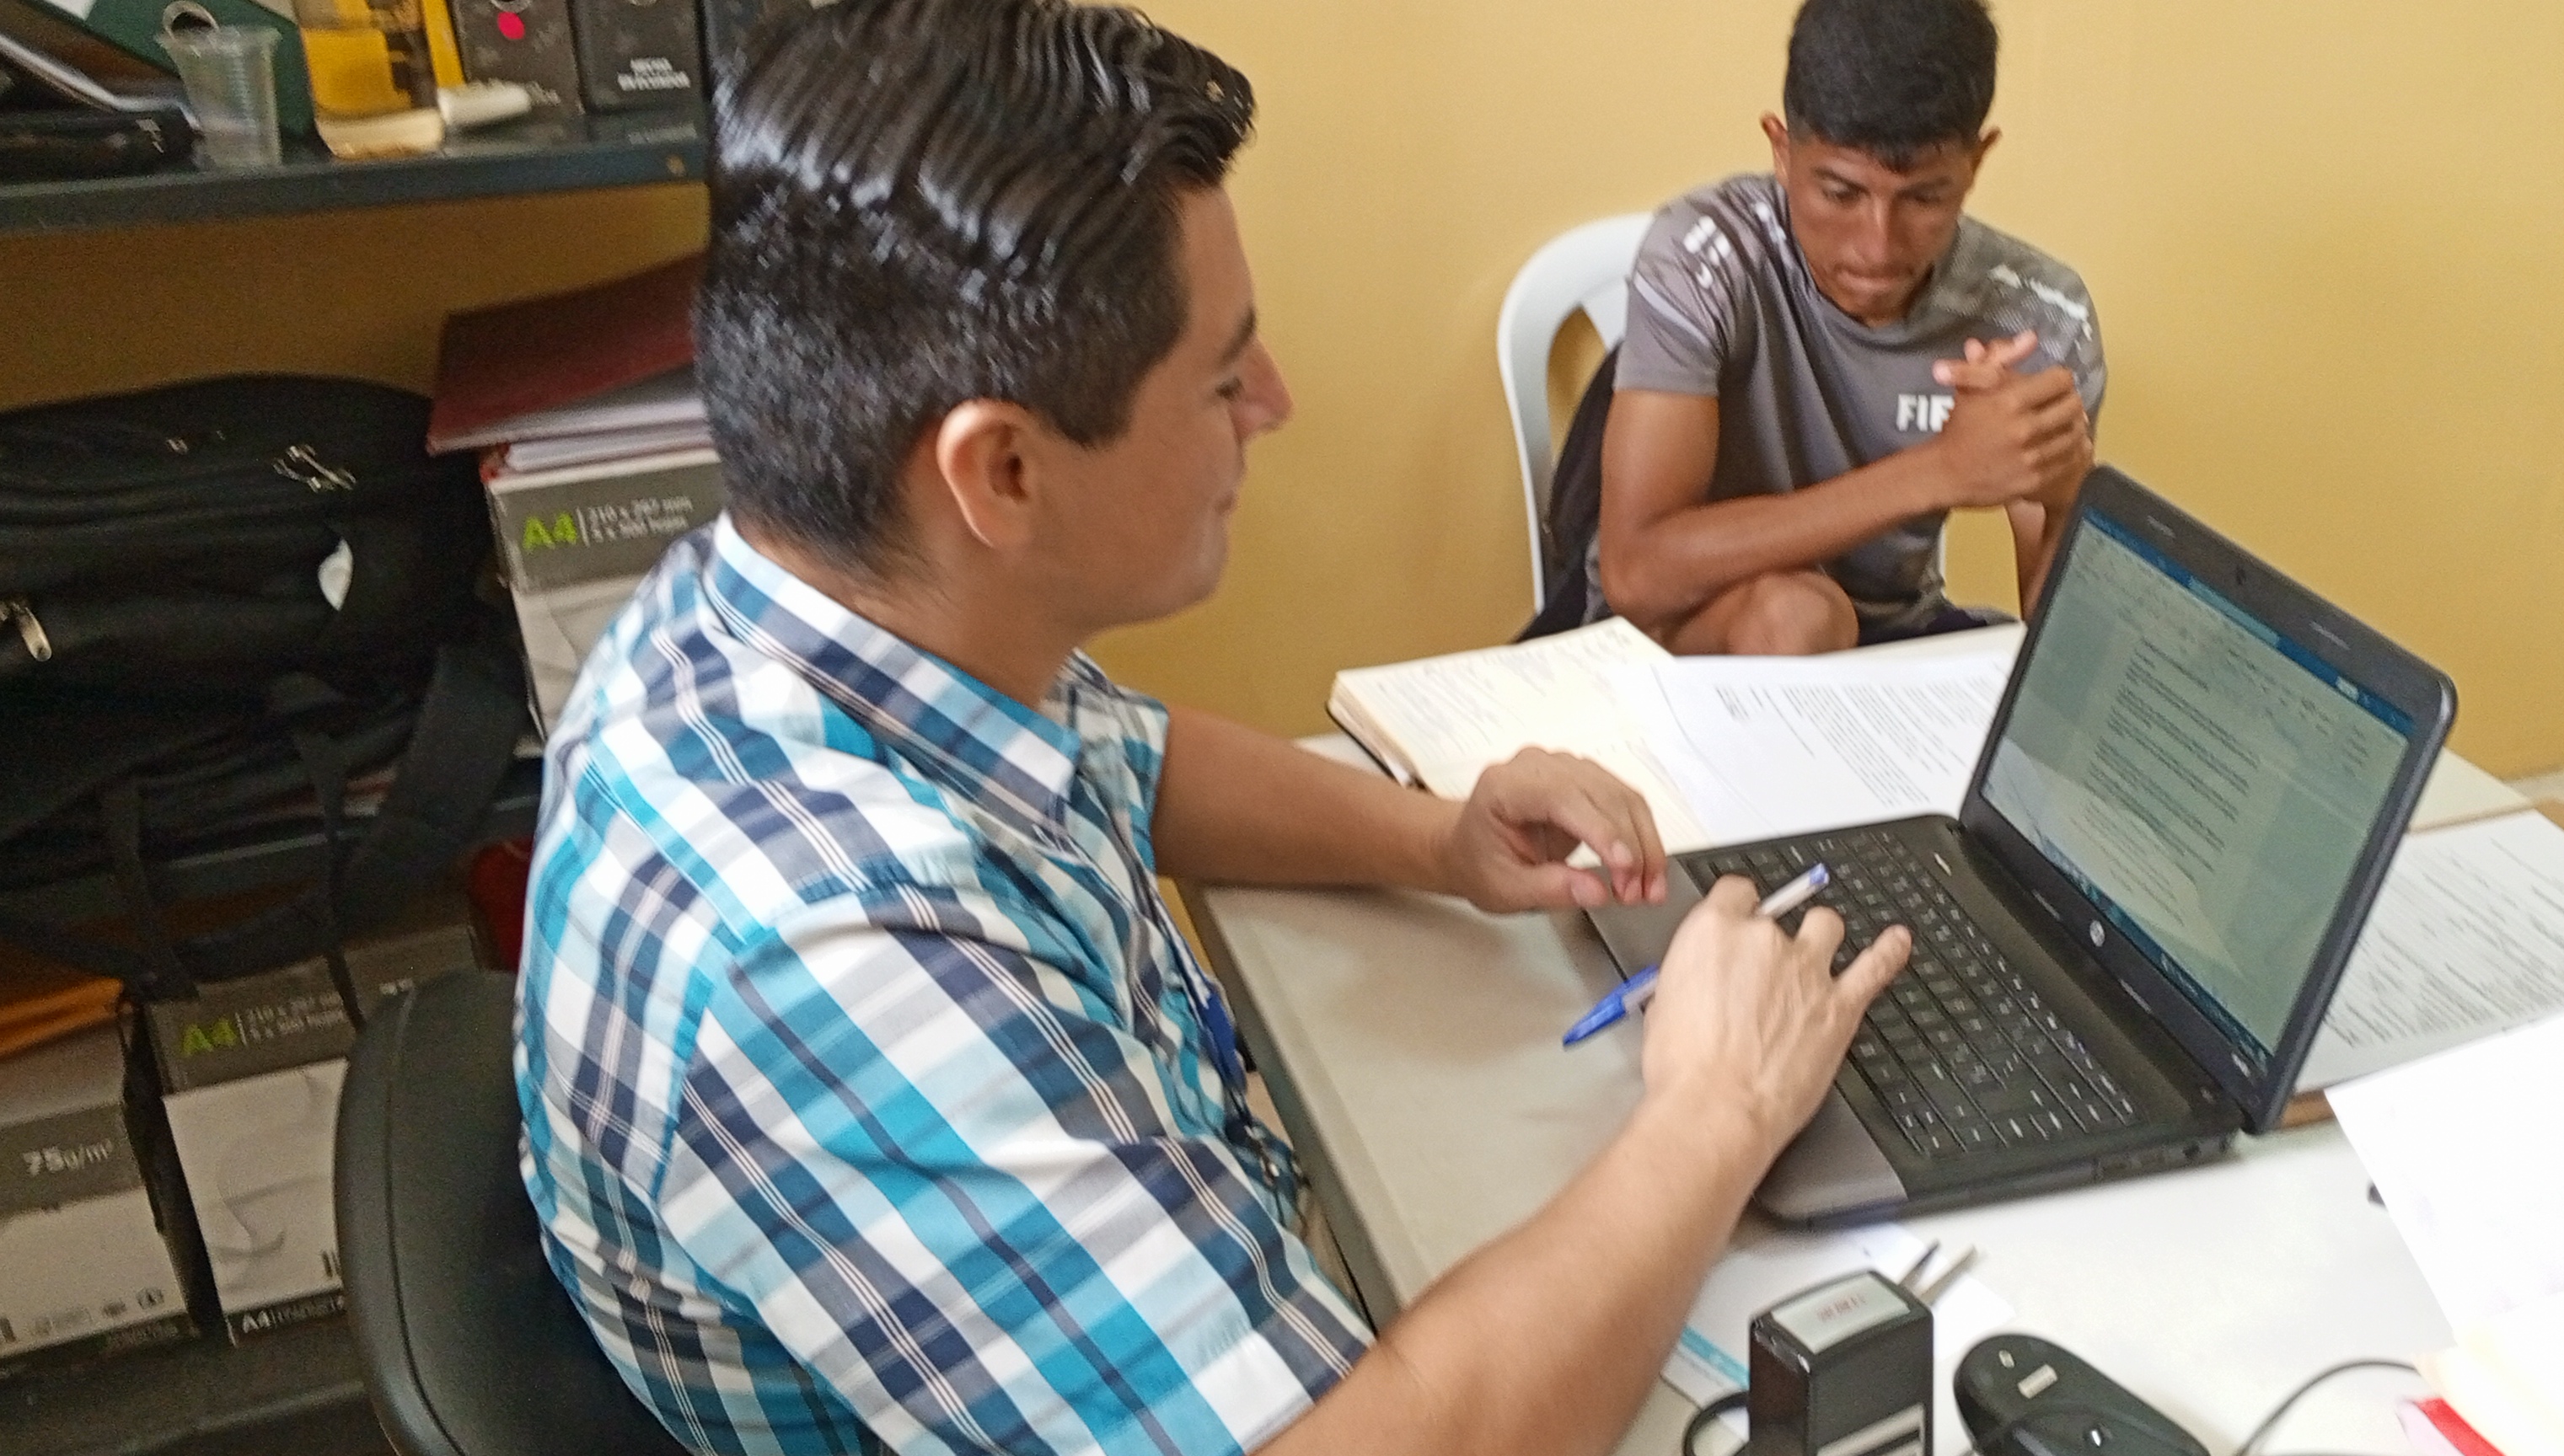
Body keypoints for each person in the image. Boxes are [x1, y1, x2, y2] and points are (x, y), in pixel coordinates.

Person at [515, 3, 1910, 1453]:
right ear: (1002, 471)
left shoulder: (800, 603)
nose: (1275, 405)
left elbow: (1127, 761)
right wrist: (1718, 1109)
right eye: (1223, 375)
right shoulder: (826, 965)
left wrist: (1440, 839)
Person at [1591, 0, 2105, 656]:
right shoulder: (1703, 256)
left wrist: (2062, 496)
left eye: (1925, 197)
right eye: (1840, 193)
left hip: (1892, 642)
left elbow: (2057, 648)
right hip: (1691, 634)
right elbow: (1636, 576)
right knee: (1799, 617)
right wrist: (1939, 470)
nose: (1876, 247)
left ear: (1977, 163)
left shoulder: (2040, 316)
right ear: (1782, 151)